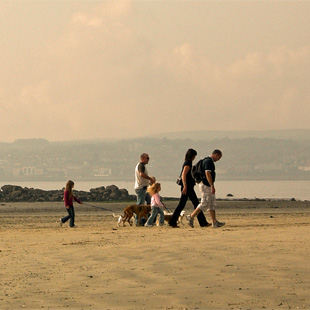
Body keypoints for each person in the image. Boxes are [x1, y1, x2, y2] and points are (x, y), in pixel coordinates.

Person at [169, 148, 210, 228]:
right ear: (191, 156)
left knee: (193, 204)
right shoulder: (187, 164)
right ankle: (202, 222)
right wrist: (185, 186)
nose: (195, 157)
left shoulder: (188, 163)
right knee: (190, 204)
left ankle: (202, 222)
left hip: (189, 187)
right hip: (187, 187)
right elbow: (183, 175)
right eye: (194, 156)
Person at [187, 149, 225, 228]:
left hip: (205, 184)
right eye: (219, 157)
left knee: (211, 203)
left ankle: (214, 222)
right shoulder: (208, 162)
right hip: (206, 185)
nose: (218, 160)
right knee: (204, 203)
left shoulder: (205, 160)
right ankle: (191, 216)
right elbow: (207, 173)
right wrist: (212, 185)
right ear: (216, 155)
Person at [134, 153, 156, 225]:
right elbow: (141, 174)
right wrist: (150, 179)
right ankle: (138, 221)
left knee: (150, 202)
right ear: (143, 158)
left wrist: (149, 181)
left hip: (144, 188)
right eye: (147, 158)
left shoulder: (142, 166)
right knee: (140, 205)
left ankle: (147, 219)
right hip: (141, 188)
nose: (148, 160)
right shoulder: (141, 166)